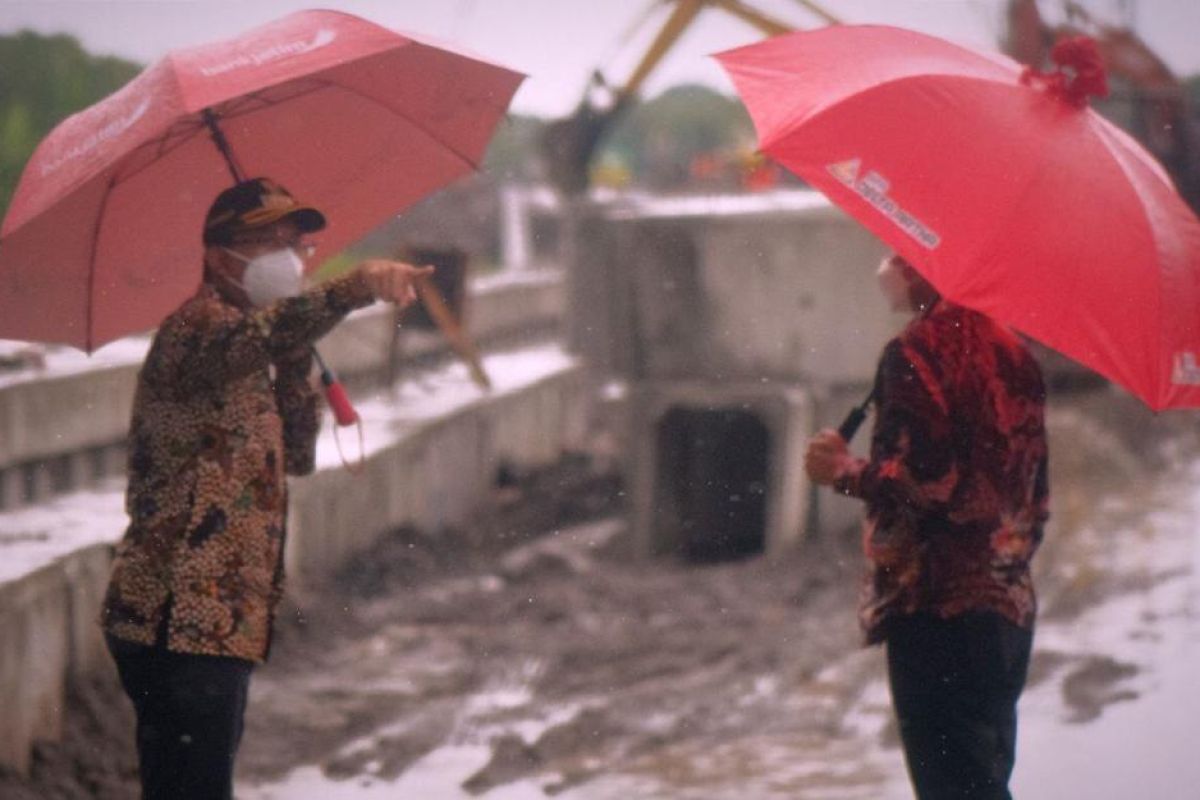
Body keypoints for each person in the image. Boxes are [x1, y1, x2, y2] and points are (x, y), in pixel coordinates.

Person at [99, 177, 432, 800]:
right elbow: (240, 343)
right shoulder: (197, 332)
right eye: (267, 241)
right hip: (176, 615)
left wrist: (294, 357)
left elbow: (296, 455)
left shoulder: (256, 345)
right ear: (219, 253)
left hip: (223, 618)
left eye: (296, 243)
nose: (289, 257)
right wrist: (352, 288)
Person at [805, 254, 1049, 800]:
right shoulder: (1012, 351)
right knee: (983, 782)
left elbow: (928, 486)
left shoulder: (916, 352)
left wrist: (844, 472)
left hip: (937, 608)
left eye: (897, 255)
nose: (885, 266)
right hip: (1006, 608)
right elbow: (1035, 494)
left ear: (925, 265)